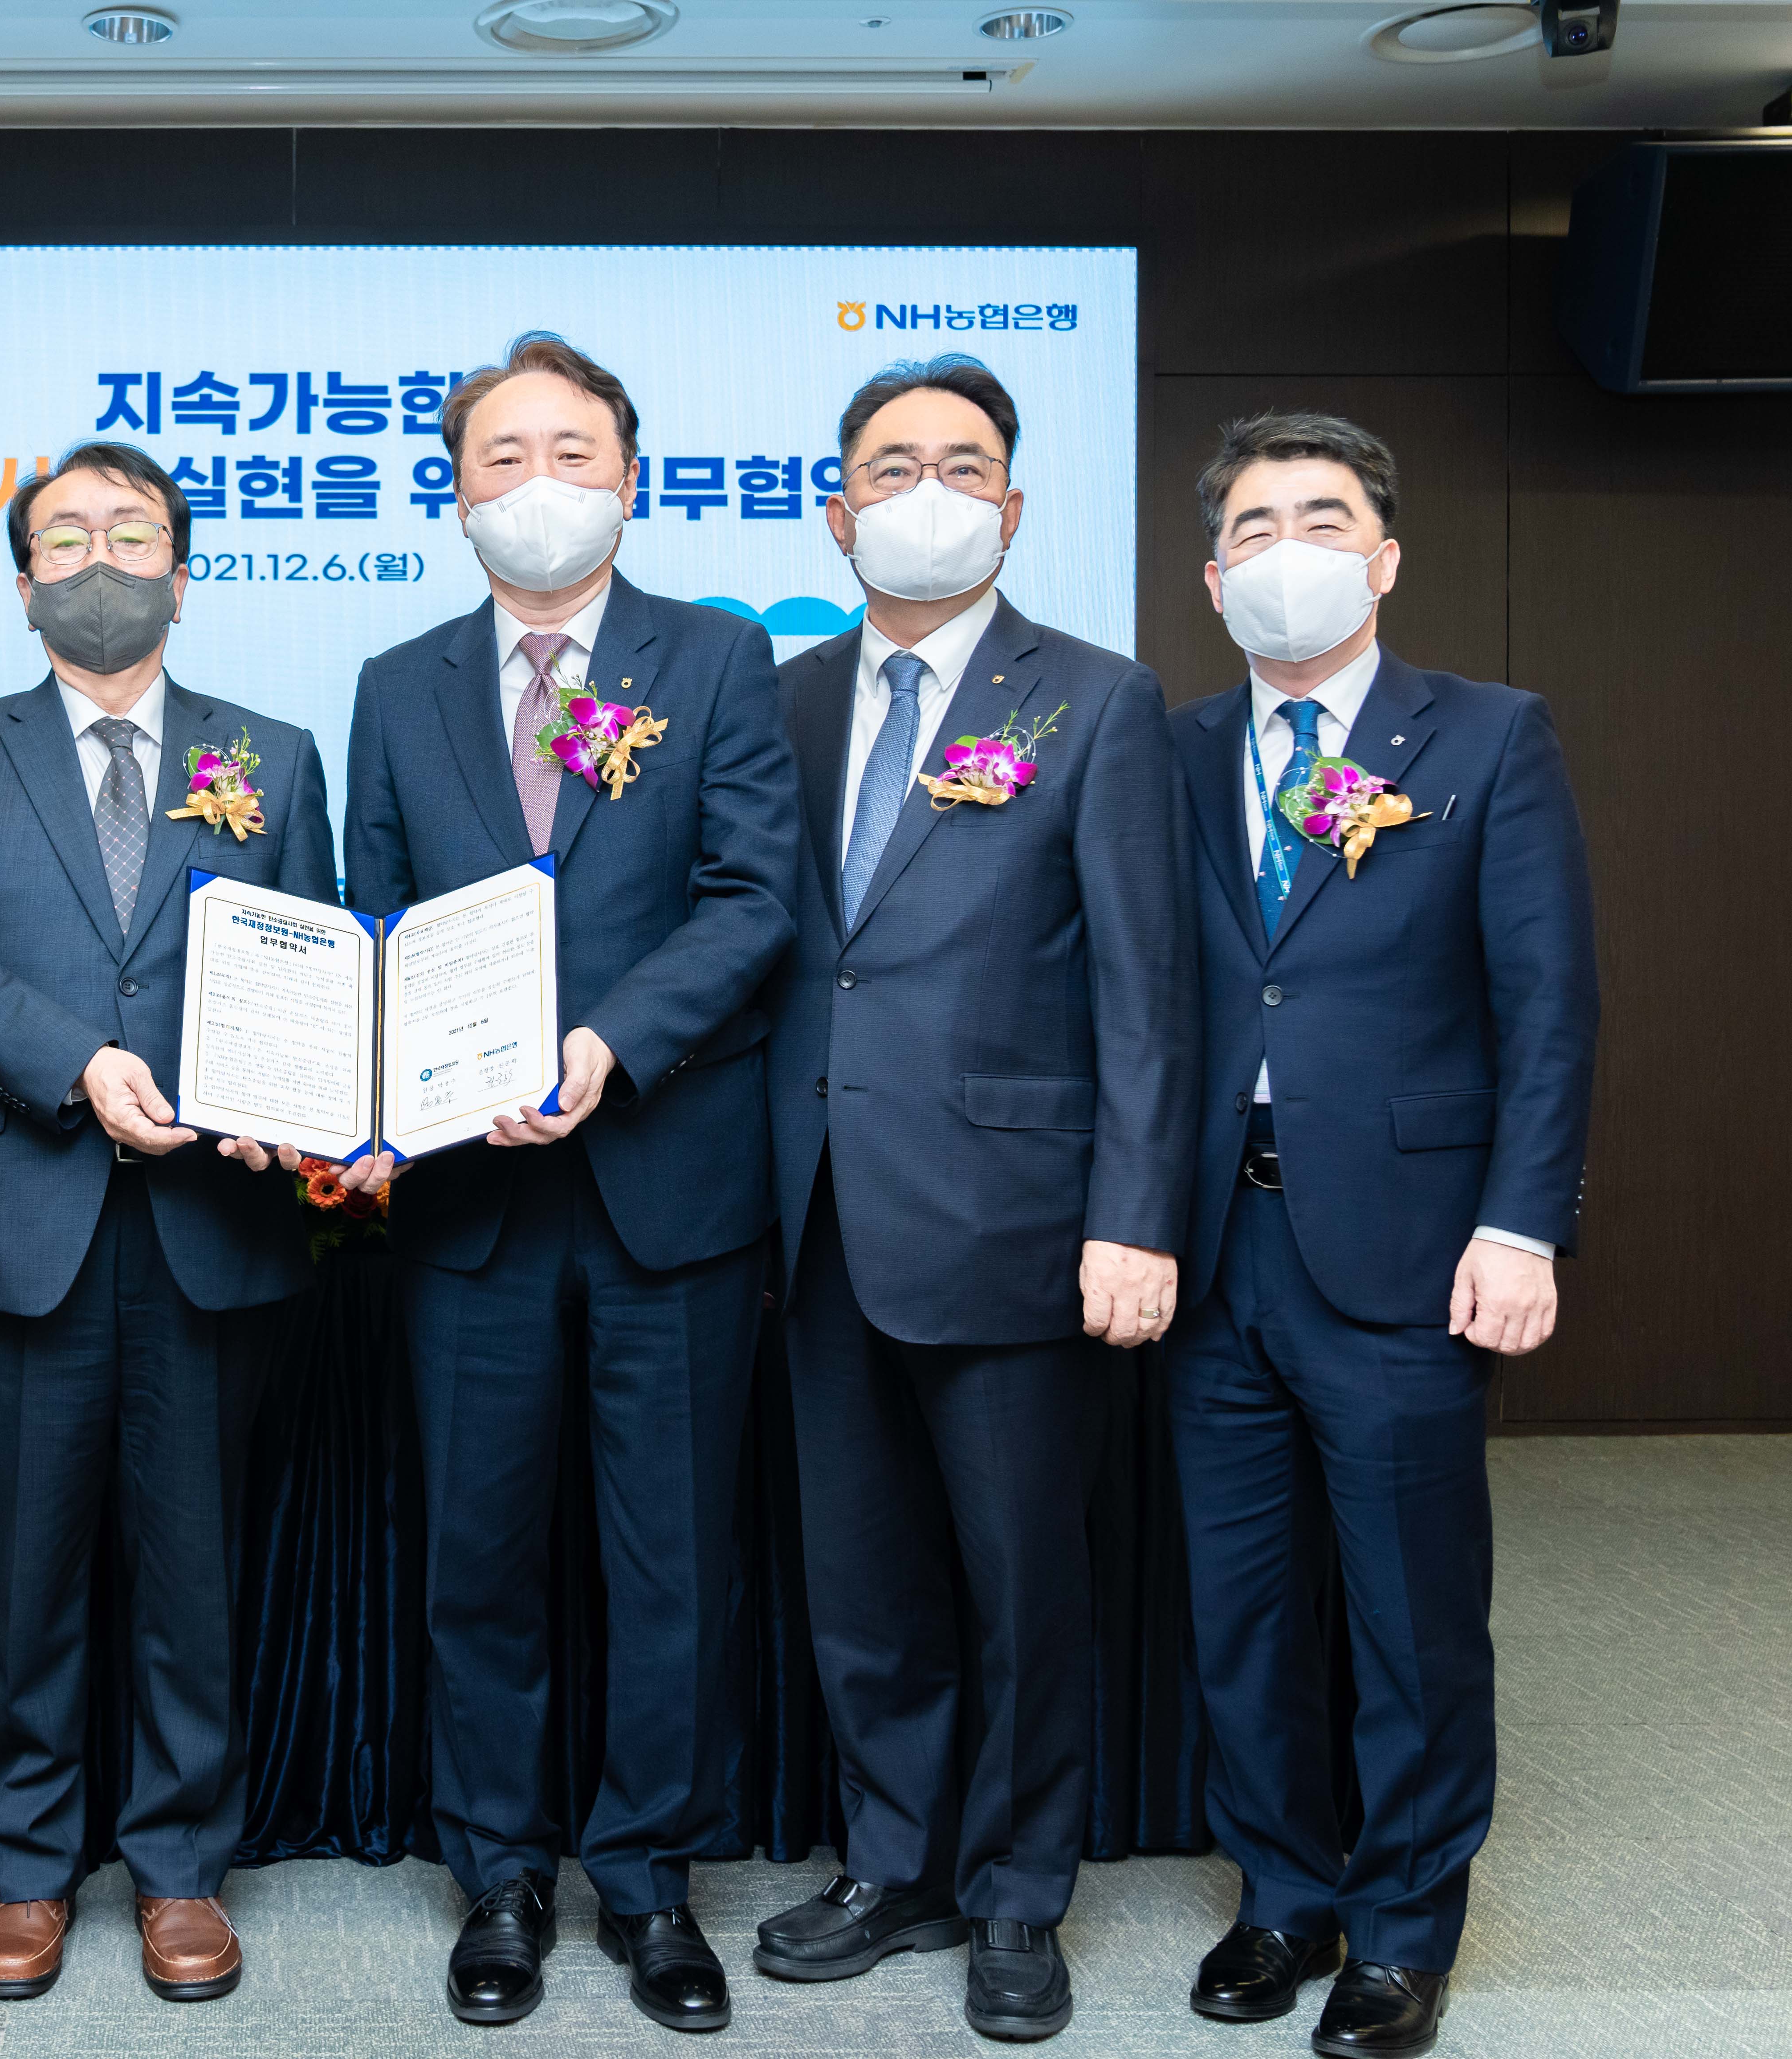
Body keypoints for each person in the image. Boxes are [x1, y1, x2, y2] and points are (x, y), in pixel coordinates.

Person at [342, 334, 800, 2035]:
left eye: (570, 449)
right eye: (500, 453)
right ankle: (502, 1876)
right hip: (465, 1210)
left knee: (669, 1558)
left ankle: (653, 1881)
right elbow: (375, 922)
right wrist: (388, 1096)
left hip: (667, 1184)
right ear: (455, 487)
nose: (535, 480)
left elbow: (751, 900)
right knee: (478, 1557)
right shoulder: (398, 683)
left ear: (630, 473)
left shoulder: (718, 655)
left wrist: (609, 1046)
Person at [754, 354, 1197, 2043]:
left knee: (1021, 1582)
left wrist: (1134, 1215)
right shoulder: (784, 700)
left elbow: (1150, 991)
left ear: (1009, 508)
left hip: (1017, 1222)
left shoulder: (1091, 698)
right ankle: (896, 1862)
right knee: (862, 1580)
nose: (922, 491)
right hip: (811, 1221)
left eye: (960, 465)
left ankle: (1018, 1892)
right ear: (835, 504)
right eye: (889, 464)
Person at [0, 441, 332, 2007]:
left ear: (184, 571)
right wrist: (76, 1063)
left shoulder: (273, 753)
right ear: (19, 582)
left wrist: (314, 1105)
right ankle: (24, 1863)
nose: (99, 555)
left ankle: (182, 1863)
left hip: (216, 1221)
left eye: (133, 532)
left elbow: (314, 961)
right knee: (30, 1560)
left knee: (193, 1565)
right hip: (18, 1212)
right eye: (63, 535)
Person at [1167, 414, 1595, 2059]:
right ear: (1214, 580)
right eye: (1257, 527)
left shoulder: (1485, 739)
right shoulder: (1176, 747)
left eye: (1321, 517)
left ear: (1384, 555)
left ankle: (1406, 1926)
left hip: (1413, 1248)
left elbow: (1546, 1008)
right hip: (1212, 1245)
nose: (1291, 548)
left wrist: (1520, 1224)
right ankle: (1281, 1892)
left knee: (1412, 1611)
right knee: (1241, 1604)